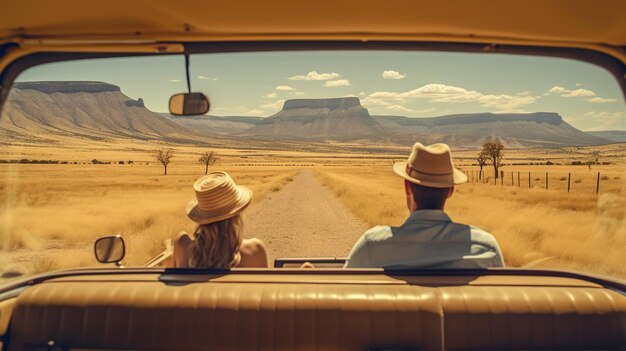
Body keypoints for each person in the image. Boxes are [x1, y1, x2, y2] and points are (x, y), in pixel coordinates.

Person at [344, 142, 504, 269]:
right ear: (450, 191)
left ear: (407, 187)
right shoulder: (485, 248)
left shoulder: (372, 246)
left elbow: (344, 299)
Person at [172, 171, 268, 268]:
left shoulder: (182, 244)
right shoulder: (255, 250)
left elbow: (171, 277)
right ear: (236, 213)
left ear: (203, 216)